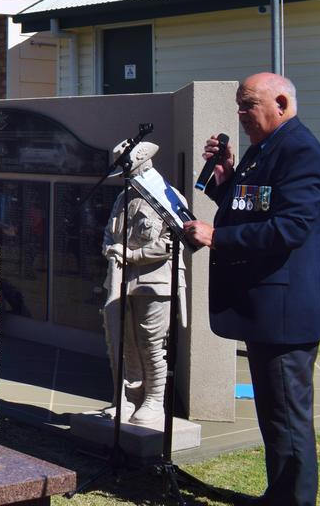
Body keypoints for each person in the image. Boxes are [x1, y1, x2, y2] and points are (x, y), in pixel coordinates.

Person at [183, 72, 320, 506]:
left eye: (248, 104)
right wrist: (224, 177)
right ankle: (281, 496)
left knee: (287, 418)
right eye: (239, 104)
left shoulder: (300, 151)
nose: (240, 113)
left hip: (287, 312)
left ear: (282, 104)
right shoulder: (264, 149)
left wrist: (217, 237)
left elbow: (288, 228)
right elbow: (253, 207)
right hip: (268, 310)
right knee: (275, 417)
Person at [99, 140, 186, 427]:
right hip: (122, 279)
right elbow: (110, 233)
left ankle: (154, 400)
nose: (128, 176)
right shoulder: (123, 199)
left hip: (155, 281)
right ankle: (126, 397)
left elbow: (171, 242)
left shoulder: (168, 197)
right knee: (124, 340)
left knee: (151, 342)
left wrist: (133, 254)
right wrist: (111, 249)